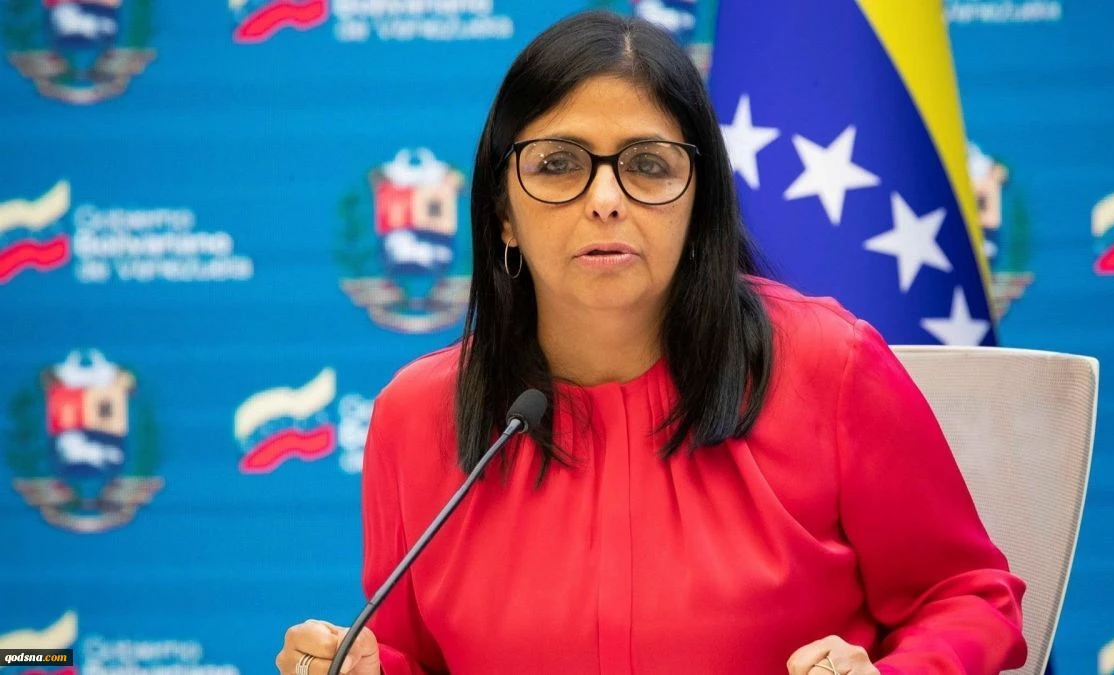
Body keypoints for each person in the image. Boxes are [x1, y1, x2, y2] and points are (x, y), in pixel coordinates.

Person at [276, 11, 1027, 675]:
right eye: (558, 164)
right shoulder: (419, 416)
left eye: (647, 165)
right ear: (503, 212)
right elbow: (412, 657)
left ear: (699, 202)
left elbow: (968, 598)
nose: (605, 201)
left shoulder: (829, 367)